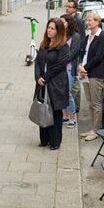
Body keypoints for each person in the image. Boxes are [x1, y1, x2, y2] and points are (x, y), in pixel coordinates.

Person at [34, 18, 69, 150]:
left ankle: (55, 141)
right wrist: (37, 76)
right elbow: (37, 61)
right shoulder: (44, 44)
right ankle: (44, 139)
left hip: (56, 84)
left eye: (53, 28)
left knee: (55, 111)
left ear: (59, 31)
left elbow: (60, 65)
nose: (49, 30)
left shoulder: (63, 46)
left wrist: (45, 77)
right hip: (42, 83)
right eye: (48, 27)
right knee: (43, 109)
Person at [78, 12, 104, 142]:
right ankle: (92, 128)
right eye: (87, 21)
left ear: (97, 22)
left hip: (95, 73)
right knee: (90, 102)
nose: (87, 23)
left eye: (90, 21)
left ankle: (96, 130)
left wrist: (86, 68)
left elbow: (98, 57)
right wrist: (80, 65)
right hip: (85, 73)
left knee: (96, 103)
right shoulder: (88, 36)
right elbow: (82, 52)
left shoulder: (102, 37)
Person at [60, 14, 81, 129]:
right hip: (60, 69)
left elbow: (73, 53)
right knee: (61, 93)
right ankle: (64, 116)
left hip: (69, 68)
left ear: (69, 23)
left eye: (63, 22)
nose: (62, 24)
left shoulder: (75, 36)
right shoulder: (61, 35)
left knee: (68, 93)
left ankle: (72, 118)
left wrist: (60, 60)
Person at [65, 0, 85, 113]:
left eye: (69, 7)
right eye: (66, 6)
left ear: (75, 9)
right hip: (71, 58)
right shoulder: (69, 19)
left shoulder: (79, 21)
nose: (67, 8)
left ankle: (75, 107)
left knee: (75, 85)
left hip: (75, 57)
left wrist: (80, 58)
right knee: (73, 85)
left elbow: (81, 39)